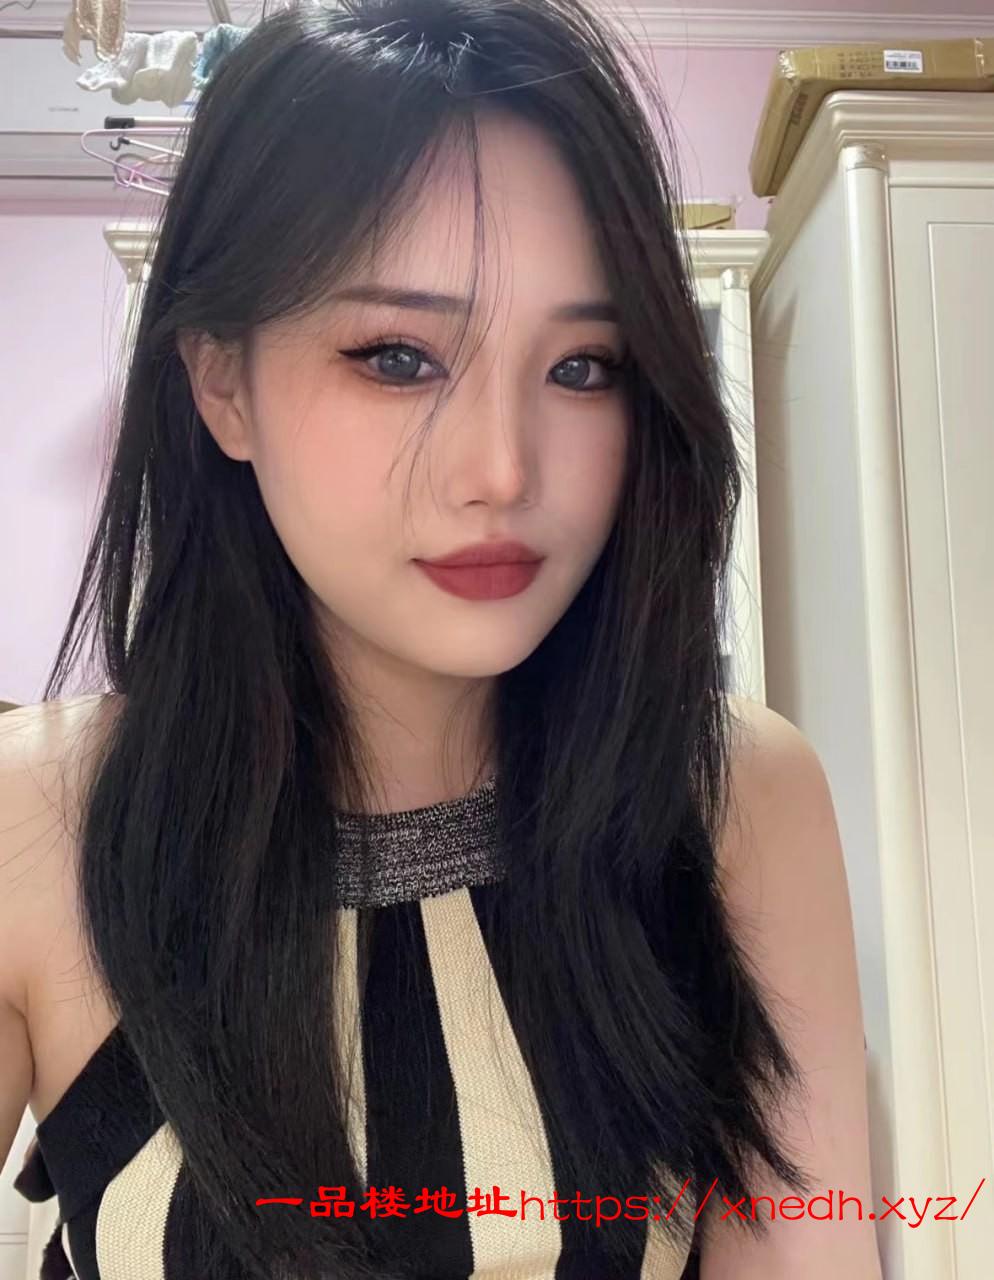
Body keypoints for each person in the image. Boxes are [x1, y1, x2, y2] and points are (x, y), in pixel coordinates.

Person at [0, 0, 883, 1276]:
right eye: (398, 356)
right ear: (223, 381)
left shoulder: (732, 792)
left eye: (584, 365)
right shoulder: (36, 819)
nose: (502, 470)